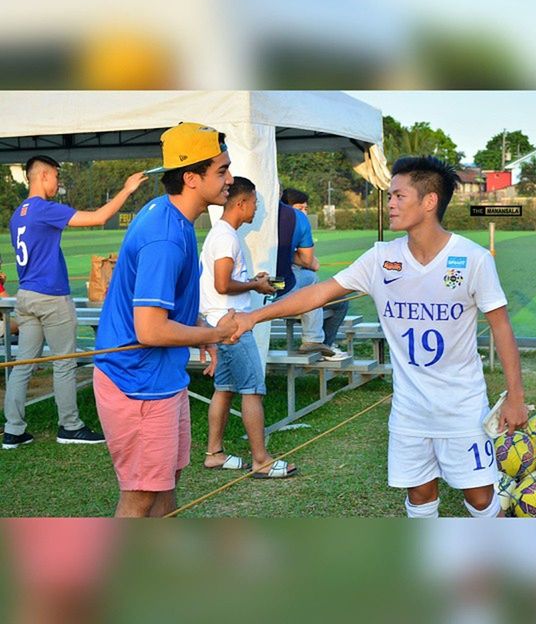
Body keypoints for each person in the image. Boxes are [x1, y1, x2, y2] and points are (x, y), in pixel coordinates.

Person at [234, 156, 528, 518]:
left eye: (399, 196)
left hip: (462, 409)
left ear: (430, 201)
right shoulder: (381, 258)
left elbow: (501, 327)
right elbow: (319, 293)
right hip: (409, 411)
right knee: (420, 496)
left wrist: (516, 397)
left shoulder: (472, 259)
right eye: (390, 196)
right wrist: (255, 315)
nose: (390, 203)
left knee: (482, 500)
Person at [92, 122, 239, 517]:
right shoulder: (165, 237)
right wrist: (215, 332)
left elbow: (171, 309)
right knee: (141, 494)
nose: (230, 179)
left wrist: (201, 335)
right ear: (191, 178)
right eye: (221, 171)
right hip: (136, 383)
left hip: (160, 380)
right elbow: (151, 329)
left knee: (165, 486)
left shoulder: (173, 218)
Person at [2, 155, 147, 450]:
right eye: (56, 176)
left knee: (23, 365)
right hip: (51, 298)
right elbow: (98, 218)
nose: (58, 182)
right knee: (65, 364)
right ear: (42, 176)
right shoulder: (43, 208)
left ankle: (13, 430)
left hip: (27, 298)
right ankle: (70, 426)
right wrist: (127, 189)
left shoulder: (19, 212)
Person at [199, 176, 296, 478]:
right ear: (241, 203)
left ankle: (214, 453)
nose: (257, 210)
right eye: (255, 203)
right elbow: (222, 283)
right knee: (253, 390)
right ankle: (261, 460)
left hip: (220, 323)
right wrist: (255, 284)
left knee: (224, 389)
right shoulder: (226, 237)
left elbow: (224, 282)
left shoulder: (222, 235)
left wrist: (255, 283)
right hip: (233, 326)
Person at [277, 188, 349, 361]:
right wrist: (309, 262)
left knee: (336, 302)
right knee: (312, 282)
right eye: (299, 207)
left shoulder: (263, 217)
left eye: (305, 208)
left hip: (266, 286)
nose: (303, 212)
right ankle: (314, 340)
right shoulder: (296, 219)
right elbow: (310, 262)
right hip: (279, 288)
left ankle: (323, 344)